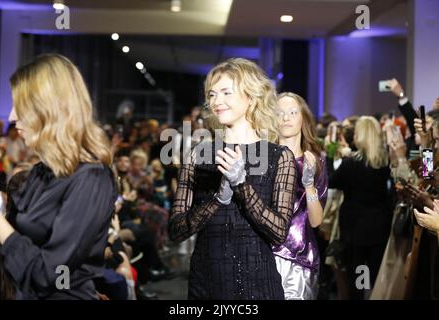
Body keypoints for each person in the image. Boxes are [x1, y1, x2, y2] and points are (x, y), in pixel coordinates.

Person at [0, 54, 117, 300]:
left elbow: (49, 275)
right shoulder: (41, 172)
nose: (12, 116)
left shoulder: (91, 178)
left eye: (21, 106)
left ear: (49, 109)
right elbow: (16, 244)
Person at [168, 58, 297, 299]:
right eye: (213, 94)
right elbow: (176, 230)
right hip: (206, 283)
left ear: (252, 97)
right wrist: (217, 199)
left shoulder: (279, 157)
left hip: (258, 283)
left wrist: (241, 184)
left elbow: (279, 233)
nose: (216, 101)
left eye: (226, 92)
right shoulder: (199, 154)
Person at [329, 116, 393, 300]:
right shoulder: (386, 161)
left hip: (355, 230)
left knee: (358, 278)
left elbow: (332, 182)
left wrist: (337, 159)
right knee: (375, 276)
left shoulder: (351, 163)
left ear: (361, 135)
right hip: (379, 227)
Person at [272, 92, 328, 300]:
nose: (286, 118)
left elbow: (316, 221)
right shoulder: (263, 158)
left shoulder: (315, 160)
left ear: (303, 117)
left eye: (293, 112)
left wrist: (309, 184)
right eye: (280, 113)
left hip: (300, 259)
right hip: (263, 254)